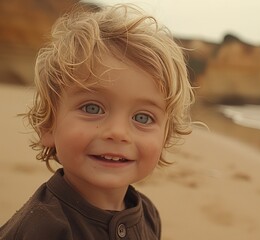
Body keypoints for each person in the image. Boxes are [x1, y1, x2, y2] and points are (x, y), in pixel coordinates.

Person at [0, 3, 194, 240]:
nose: (118, 132)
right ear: (48, 124)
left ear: (165, 136)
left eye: (142, 117)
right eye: (92, 108)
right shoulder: (42, 229)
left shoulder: (149, 216)